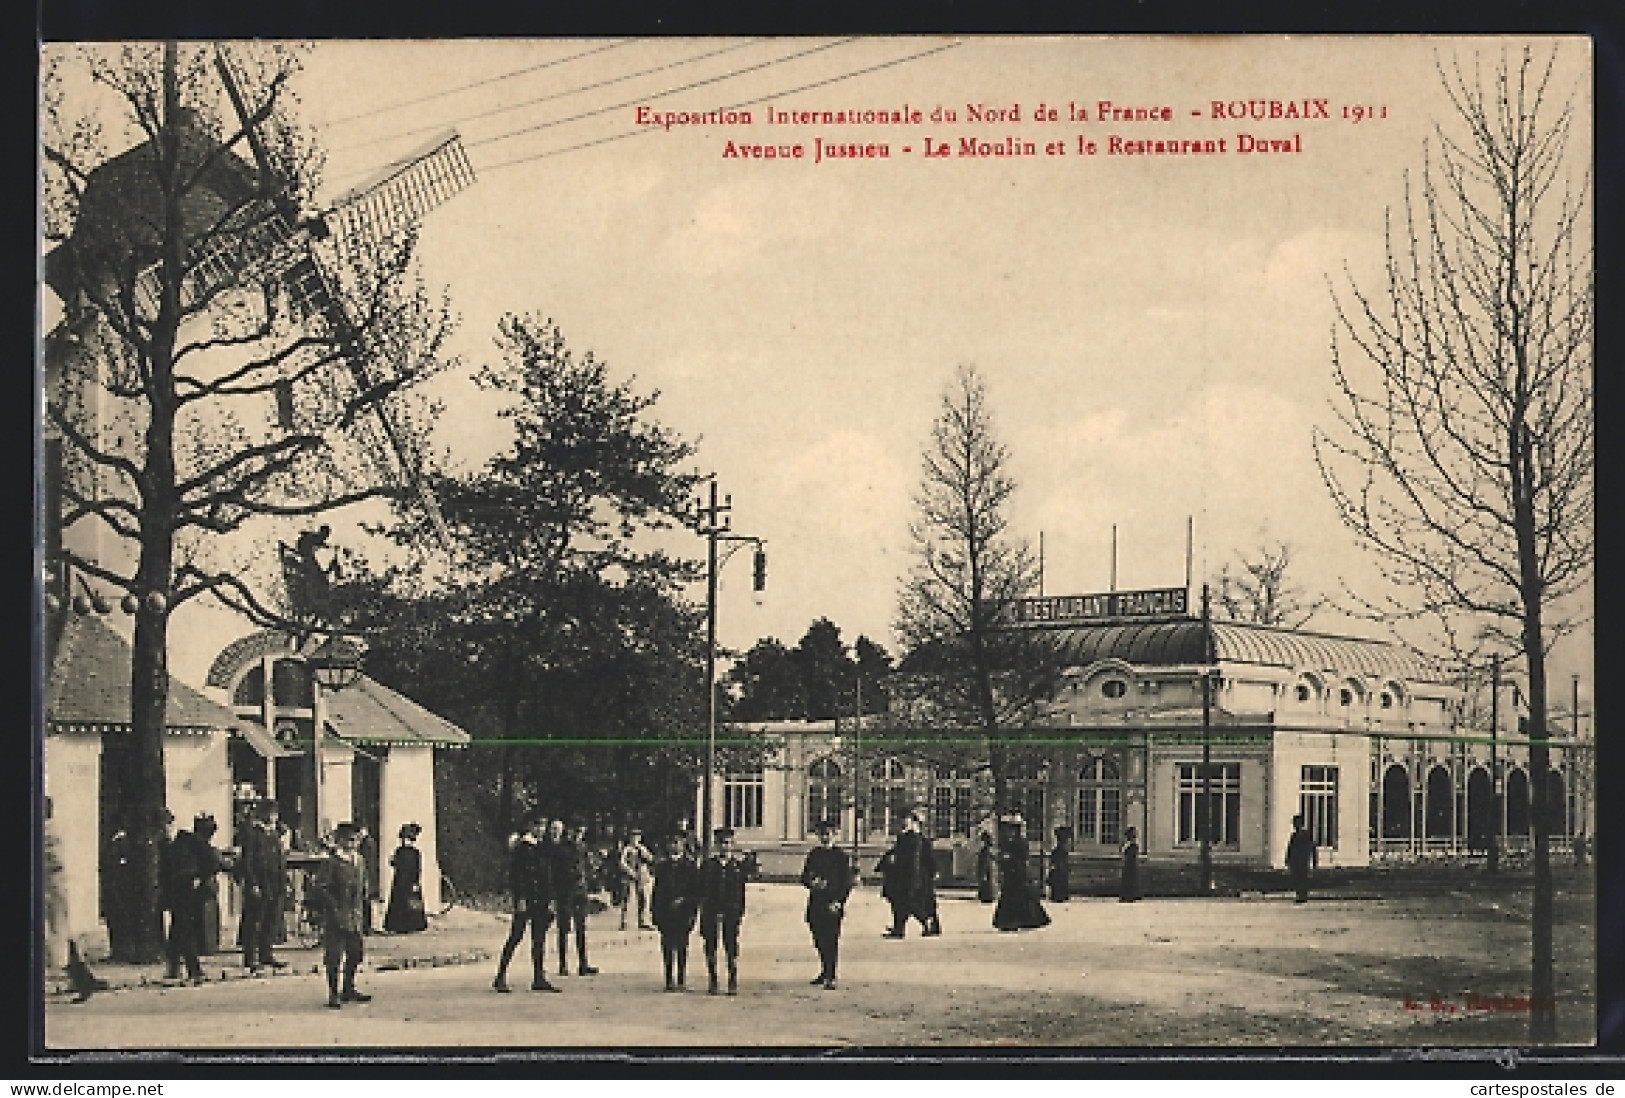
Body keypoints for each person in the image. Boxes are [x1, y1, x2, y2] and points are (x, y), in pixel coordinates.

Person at [308, 821, 372, 1008]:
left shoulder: (359, 860)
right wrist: (333, 906)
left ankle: (348, 988)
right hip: (336, 915)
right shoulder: (332, 862)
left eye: (356, 840)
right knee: (334, 956)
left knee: (356, 953)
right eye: (350, 840)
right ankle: (333, 993)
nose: (353, 844)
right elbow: (320, 887)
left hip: (355, 915)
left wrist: (365, 903)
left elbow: (364, 885)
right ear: (340, 841)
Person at [493, 815, 560, 992]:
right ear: (531, 827)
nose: (542, 830)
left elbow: (547, 876)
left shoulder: (540, 848)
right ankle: (500, 976)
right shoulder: (522, 849)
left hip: (540, 900)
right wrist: (520, 898)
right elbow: (517, 876)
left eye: (544, 826)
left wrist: (550, 900)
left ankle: (539, 977)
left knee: (539, 939)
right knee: (516, 936)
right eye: (539, 826)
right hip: (527, 898)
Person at [800, 819, 854, 990]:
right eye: (822, 834)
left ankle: (831, 975)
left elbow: (846, 882)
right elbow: (804, 877)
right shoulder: (814, 854)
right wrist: (812, 882)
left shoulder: (841, 856)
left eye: (828, 834)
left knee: (831, 939)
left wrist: (839, 901)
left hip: (833, 902)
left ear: (834, 835)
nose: (825, 837)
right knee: (818, 938)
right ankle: (824, 970)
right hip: (816, 902)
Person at [237, 800, 290, 971]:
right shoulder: (253, 834)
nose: (274, 817)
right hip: (260, 883)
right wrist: (252, 883)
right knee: (255, 921)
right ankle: (250, 957)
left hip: (275, 883)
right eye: (271, 814)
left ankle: (266, 954)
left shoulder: (274, 835)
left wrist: (285, 882)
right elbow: (248, 861)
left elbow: (280, 861)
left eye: (275, 814)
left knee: (271, 920)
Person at [697, 828, 748, 995]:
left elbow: (740, 892)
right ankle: (713, 979)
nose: (724, 847)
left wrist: (739, 912)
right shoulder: (708, 865)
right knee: (710, 944)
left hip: (731, 911)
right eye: (721, 843)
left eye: (727, 843)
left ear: (732, 845)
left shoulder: (737, 866)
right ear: (716, 845)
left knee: (731, 944)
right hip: (711, 910)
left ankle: (732, 979)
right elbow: (701, 889)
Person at [879, 810, 940, 938]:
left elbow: (921, 859)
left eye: (907, 820)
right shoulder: (905, 838)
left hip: (911, 877)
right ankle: (900, 928)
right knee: (902, 904)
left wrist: (931, 872)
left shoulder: (915, 839)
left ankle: (925, 922)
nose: (903, 823)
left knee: (907, 903)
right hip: (906, 876)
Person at [651, 834, 700, 991]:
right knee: (667, 946)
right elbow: (657, 891)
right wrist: (655, 913)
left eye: (677, 843)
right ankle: (668, 979)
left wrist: (688, 905)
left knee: (682, 946)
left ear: (683, 845)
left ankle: (681, 979)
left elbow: (696, 891)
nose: (674, 846)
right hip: (666, 912)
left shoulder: (690, 866)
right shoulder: (663, 867)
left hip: (683, 912)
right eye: (671, 843)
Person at [552, 821, 599, 976]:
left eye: (581, 831)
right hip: (565, 892)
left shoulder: (583, 848)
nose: (578, 834)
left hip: (580, 891)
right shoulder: (561, 849)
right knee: (564, 928)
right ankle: (563, 964)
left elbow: (586, 868)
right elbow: (556, 872)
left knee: (581, 927)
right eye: (576, 831)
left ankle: (583, 963)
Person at [992, 815, 1050, 931]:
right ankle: (1014, 921)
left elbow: (1022, 859)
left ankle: (1021, 921)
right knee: (1015, 898)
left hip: (1018, 874)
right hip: (1012, 874)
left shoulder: (1021, 842)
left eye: (1011, 829)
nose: (1008, 832)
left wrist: (1009, 859)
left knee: (1020, 898)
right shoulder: (1009, 842)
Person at [383, 822, 429, 933]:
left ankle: (408, 926)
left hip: (406, 881)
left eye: (406, 839)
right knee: (401, 903)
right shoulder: (403, 851)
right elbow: (397, 864)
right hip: (403, 881)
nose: (404, 841)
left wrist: (416, 882)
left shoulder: (412, 852)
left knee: (408, 903)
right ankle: (402, 926)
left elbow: (416, 868)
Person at [619, 828, 655, 931]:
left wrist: (645, 854)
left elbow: (650, 858)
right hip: (630, 876)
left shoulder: (642, 848)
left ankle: (642, 920)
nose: (635, 839)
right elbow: (622, 862)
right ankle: (624, 921)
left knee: (643, 898)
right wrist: (630, 871)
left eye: (637, 837)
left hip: (642, 876)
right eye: (633, 837)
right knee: (627, 898)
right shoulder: (627, 849)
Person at [1286, 814, 1317, 904]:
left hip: (1303, 861)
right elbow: (1290, 848)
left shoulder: (1306, 835)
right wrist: (1288, 860)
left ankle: (1302, 895)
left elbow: (1312, 848)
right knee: (1296, 878)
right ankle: (1299, 894)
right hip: (1295, 861)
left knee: (1302, 878)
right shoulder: (1294, 835)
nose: (1295, 825)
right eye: (1294, 823)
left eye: (1296, 823)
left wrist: (1314, 861)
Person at [358, 826, 379, 935]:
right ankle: (366, 927)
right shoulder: (367, 843)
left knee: (365, 902)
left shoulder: (367, 843)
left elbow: (366, 861)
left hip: (366, 874)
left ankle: (366, 927)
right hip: (367, 874)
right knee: (366, 901)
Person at [1047, 827, 1072, 902]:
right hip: (1059, 869)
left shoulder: (1059, 850)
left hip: (1059, 868)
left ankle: (1059, 895)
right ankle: (1059, 895)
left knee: (1059, 881)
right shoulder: (1060, 850)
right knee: (1059, 881)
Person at [1119, 826, 1142, 903]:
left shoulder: (1132, 845)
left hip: (1130, 864)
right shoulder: (1130, 845)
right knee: (1129, 880)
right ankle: (1128, 896)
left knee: (1130, 880)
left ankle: (1129, 896)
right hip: (1130, 864)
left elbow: (1128, 854)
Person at [976, 831, 998, 904]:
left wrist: (983, 873)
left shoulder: (986, 851)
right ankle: (989, 895)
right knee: (989, 883)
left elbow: (985, 862)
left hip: (987, 870)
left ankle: (987, 896)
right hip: (989, 870)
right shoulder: (990, 850)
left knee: (986, 883)